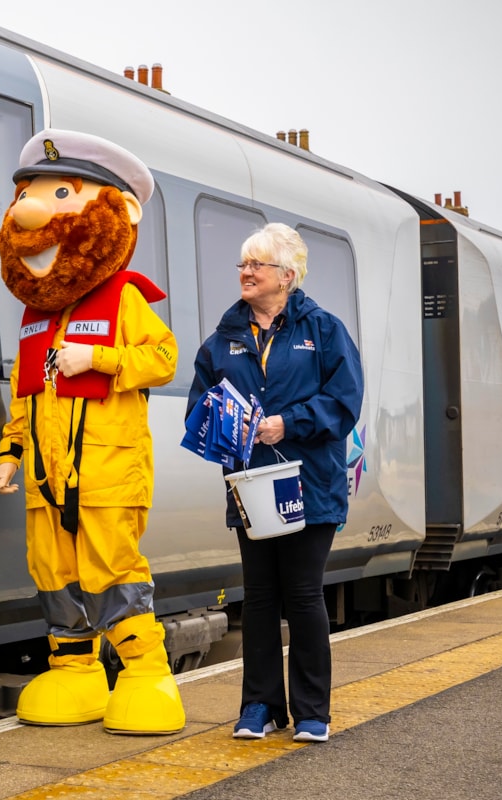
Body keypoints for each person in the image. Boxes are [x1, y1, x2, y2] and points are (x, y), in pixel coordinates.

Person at [0, 128, 184, 735]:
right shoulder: (35, 318)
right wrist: (10, 453)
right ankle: (76, 672)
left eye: (60, 193)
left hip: (106, 473)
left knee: (112, 572)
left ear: (117, 210)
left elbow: (165, 358)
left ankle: (145, 672)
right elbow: (26, 395)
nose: (32, 206)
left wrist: (98, 360)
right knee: (53, 573)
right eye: (30, 192)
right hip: (47, 482)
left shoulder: (123, 298)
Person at [186, 222, 363, 743]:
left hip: (310, 484)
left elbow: (344, 403)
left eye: (256, 264)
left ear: (286, 276)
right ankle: (259, 706)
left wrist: (290, 423)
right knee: (260, 597)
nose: (245, 272)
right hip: (252, 486)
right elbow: (199, 406)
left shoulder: (324, 331)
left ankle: (312, 711)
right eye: (243, 264)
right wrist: (223, 424)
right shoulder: (222, 342)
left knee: (304, 595)